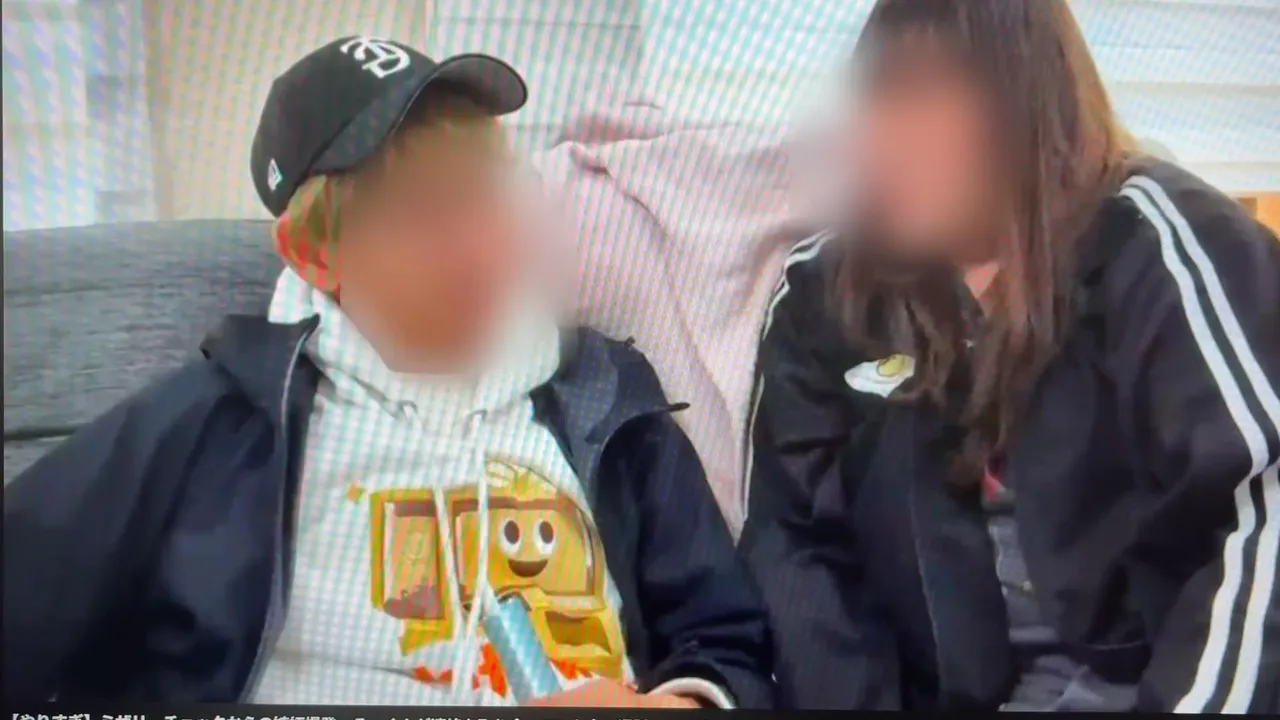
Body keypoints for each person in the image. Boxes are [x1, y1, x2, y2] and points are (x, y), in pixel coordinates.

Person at [3, 36, 773, 708]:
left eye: (488, 193)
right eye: (422, 213)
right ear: (315, 253)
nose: (482, 251)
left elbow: (729, 641)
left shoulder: (604, 397)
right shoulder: (218, 424)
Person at [741, 0, 1278, 713]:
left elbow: (1259, 514)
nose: (880, 140)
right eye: (874, 97)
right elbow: (798, 555)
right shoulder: (825, 298)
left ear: (1029, 102)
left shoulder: (1164, 245)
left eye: (925, 96)